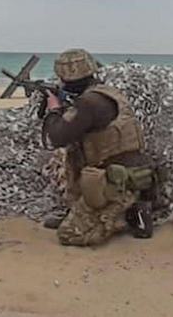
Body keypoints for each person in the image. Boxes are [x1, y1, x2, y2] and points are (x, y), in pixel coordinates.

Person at [39, 49, 156, 246]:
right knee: (77, 154)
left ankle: (127, 213)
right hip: (133, 173)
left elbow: (57, 137)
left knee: (69, 234)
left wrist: (54, 108)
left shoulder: (88, 103)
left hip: (115, 181)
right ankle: (90, 208)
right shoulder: (107, 94)